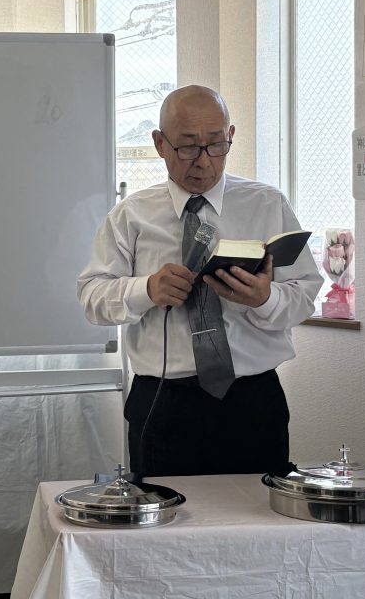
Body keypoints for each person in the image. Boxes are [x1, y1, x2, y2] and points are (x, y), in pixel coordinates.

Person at [77, 85, 323, 478]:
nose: (204, 161)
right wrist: (146, 290)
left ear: (231, 136)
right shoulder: (131, 215)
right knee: (165, 516)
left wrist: (265, 298)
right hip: (162, 401)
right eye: (189, 146)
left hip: (252, 399)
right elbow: (92, 296)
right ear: (160, 143)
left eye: (216, 145)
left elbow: (305, 293)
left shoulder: (267, 204)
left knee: (258, 514)